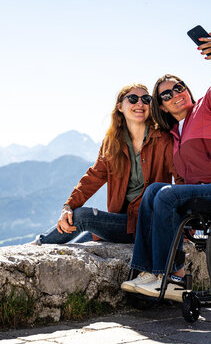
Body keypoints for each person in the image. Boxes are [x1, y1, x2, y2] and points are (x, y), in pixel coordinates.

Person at [120, 34, 211, 300]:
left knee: (166, 194)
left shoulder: (209, 106)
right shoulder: (175, 134)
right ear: (163, 106)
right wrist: (183, 211)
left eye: (179, 87)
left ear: (187, 89)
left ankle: (172, 277)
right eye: (167, 95)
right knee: (155, 190)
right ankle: (147, 272)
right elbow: (182, 181)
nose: (176, 95)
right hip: (206, 193)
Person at [32, 84, 181, 245]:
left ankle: (39, 245)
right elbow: (93, 177)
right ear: (120, 107)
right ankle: (42, 244)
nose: (140, 104)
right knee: (82, 242)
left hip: (149, 223)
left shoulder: (163, 141)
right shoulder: (112, 143)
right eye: (132, 99)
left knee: (82, 217)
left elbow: (180, 180)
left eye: (146, 99)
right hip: (122, 224)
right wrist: (68, 206)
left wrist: (183, 226)